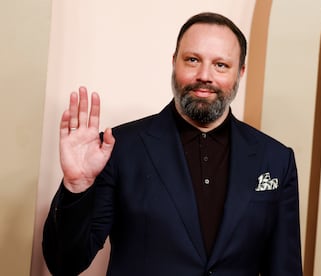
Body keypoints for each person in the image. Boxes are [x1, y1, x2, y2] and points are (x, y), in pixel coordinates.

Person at [42, 12, 302, 276]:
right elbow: (65, 264)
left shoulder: (276, 160)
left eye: (221, 65)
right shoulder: (119, 148)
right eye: (192, 60)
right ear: (174, 61)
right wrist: (77, 187)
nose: (205, 75)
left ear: (240, 72)